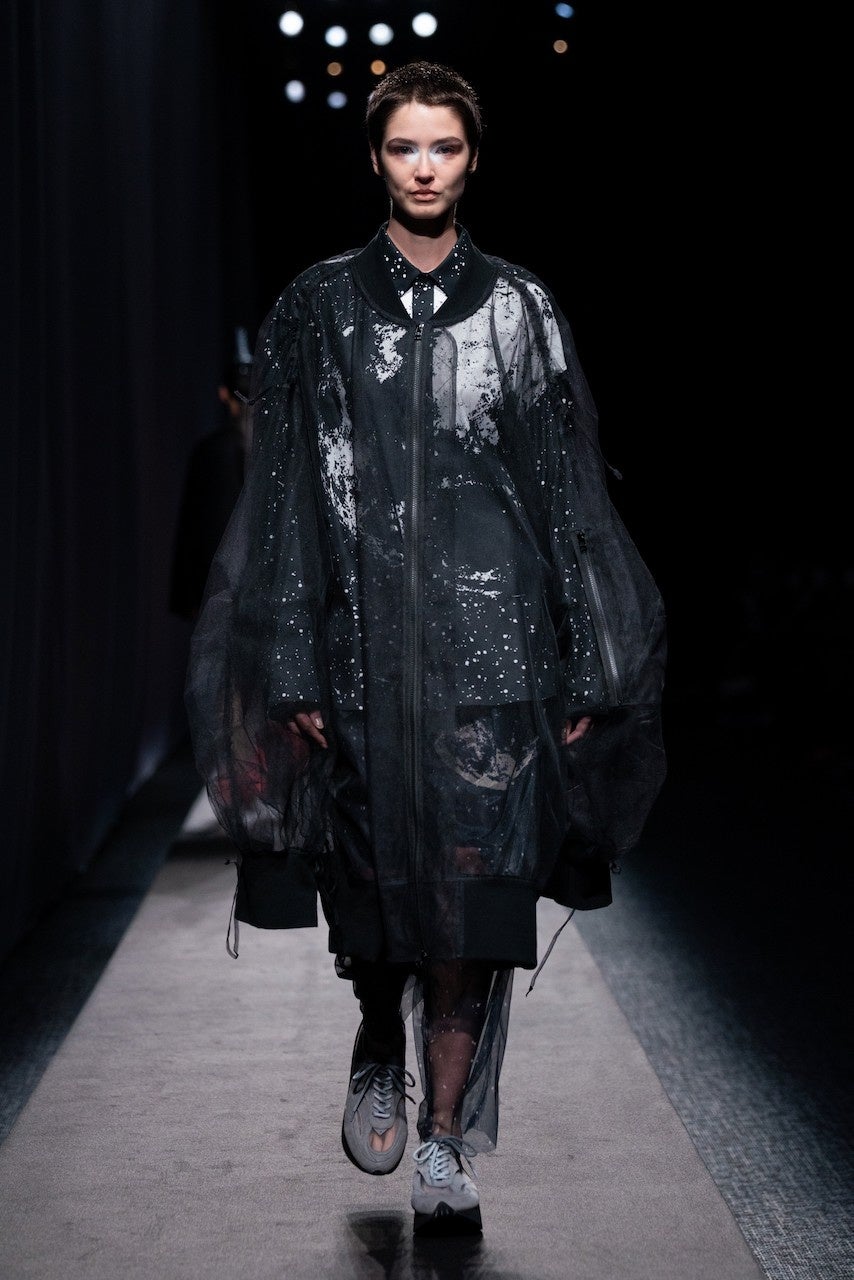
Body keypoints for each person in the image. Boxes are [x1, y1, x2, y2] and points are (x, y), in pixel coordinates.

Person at [186, 61, 666, 1236]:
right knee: (375, 905)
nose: (422, 166)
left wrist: (588, 651)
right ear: (374, 159)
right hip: (358, 655)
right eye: (404, 146)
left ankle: (443, 1135)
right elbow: (284, 493)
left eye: (442, 146)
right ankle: (373, 1030)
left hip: (495, 655)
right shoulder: (316, 308)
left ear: (470, 159)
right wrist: (289, 656)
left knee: (477, 903)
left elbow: (565, 491)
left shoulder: (521, 309)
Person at [168, 327, 254, 623]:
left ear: (223, 393)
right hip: (270, 593)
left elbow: (193, 529)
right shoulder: (281, 450)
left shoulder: (210, 451)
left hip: (220, 594)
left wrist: (190, 597)